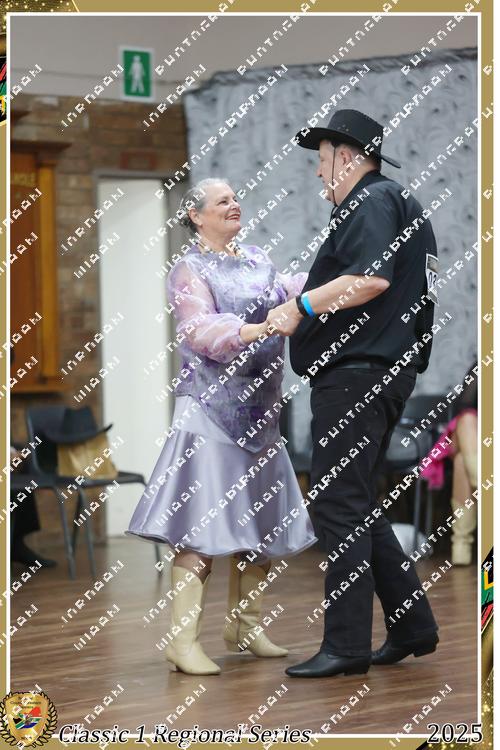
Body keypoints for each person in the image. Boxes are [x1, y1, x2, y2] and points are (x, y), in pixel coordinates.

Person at [265, 109, 439, 678]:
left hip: (357, 376)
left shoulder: (372, 200)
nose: (319, 174)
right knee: (355, 501)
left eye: (322, 161)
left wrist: (300, 306)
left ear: (345, 156)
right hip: (382, 373)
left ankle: (345, 647)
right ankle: (412, 626)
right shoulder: (400, 204)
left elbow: (370, 279)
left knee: (338, 505)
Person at [126, 178, 316, 675]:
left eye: (235, 198)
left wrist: (329, 281)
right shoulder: (188, 268)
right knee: (201, 524)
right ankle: (181, 642)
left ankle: (244, 627)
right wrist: (261, 327)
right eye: (222, 200)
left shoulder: (257, 258)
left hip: (262, 411)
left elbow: (290, 289)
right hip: (210, 411)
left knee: (260, 520)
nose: (234, 204)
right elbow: (199, 330)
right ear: (196, 215)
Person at [421, 360, 478, 565]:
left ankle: (461, 544)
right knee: (466, 420)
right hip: (475, 440)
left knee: (462, 462)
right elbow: (464, 406)